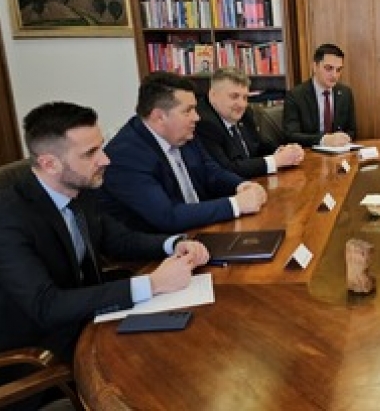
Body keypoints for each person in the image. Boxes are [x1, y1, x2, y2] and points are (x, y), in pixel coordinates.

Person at [0, 102, 209, 409]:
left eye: (101, 147)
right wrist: (152, 284)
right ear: (50, 164)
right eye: (90, 153)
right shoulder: (9, 217)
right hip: (42, 359)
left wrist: (174, 244)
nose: (105, 159)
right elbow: (47, 305)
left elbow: (119, 240)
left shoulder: (80, 188)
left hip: (93, 321)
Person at [101, 72, 267, 233]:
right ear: (159, 117)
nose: (197, 117)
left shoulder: (182, 133)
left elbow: (211, 171)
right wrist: (235, 205)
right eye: (188, 111)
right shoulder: (126, 156)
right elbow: (167, 216)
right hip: (161, 245)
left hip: (200, 229)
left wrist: (241, 185)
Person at [196, 67, 304, 178]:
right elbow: (227, 169)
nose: (242, 104)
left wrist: (282, 151)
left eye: (245, 97)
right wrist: (275, 161)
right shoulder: (204, 123)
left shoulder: (245, 112)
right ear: (213, 95)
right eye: (234, 96)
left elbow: (259, 145)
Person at [283, 43, 356, 147]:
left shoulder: (345, 93)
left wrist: (345, 138)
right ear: (315, 66)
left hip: (340, 151)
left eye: (338, 70)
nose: (334, 75)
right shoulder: (295, 95)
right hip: (309, 152)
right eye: (329, 68)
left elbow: (351, 130)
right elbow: (291, 135)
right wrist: (324, 140)